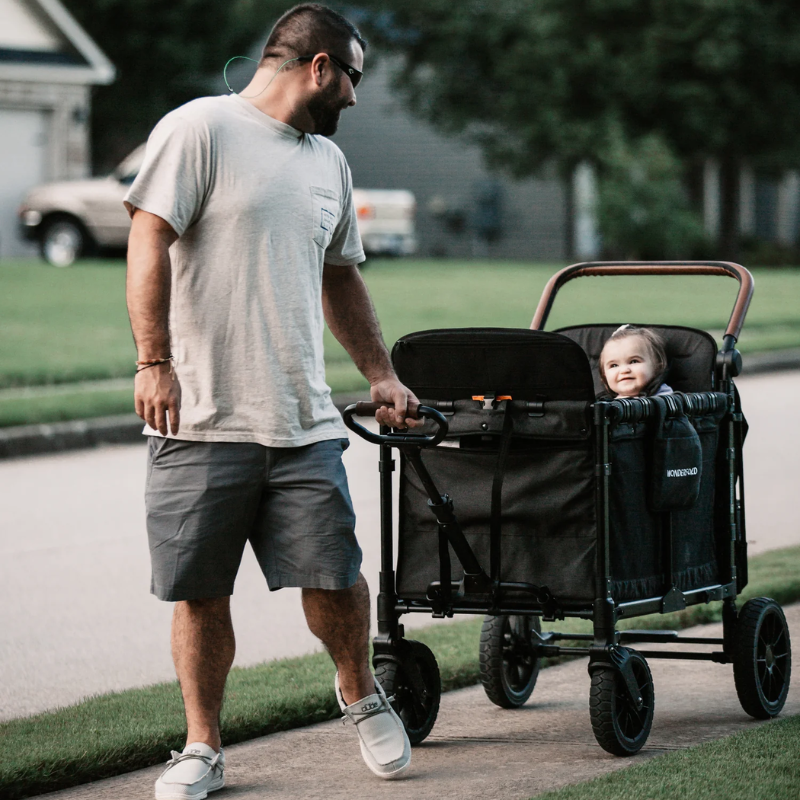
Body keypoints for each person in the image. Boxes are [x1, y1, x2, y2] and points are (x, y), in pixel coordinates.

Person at [124, 5, 420, 797]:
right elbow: (147, 237)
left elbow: (341, 274)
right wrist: (153, 360)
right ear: (320, 67)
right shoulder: (200, 129)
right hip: (200, 417)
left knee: (336, 577)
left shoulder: (327, 161)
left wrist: (381, 372)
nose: (356, 97)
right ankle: (202, 748)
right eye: (354, 77)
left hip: (302, 417)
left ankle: (359, 692)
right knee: (200, 591)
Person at [598, 324, 673, 398]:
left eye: (634, 361)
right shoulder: (604, 402)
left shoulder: (664, 395)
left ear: (657, 367)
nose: (624, 370)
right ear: (604, 376)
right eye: (614, 365)